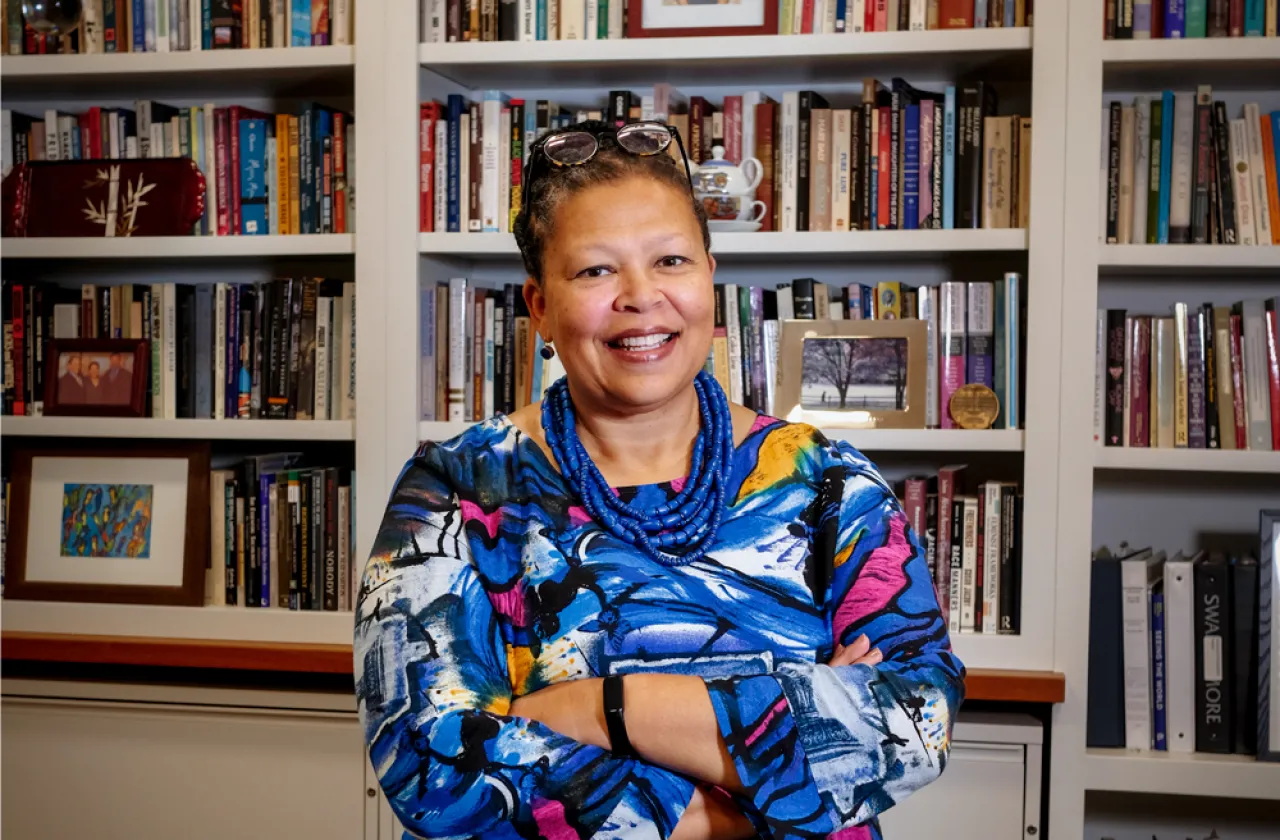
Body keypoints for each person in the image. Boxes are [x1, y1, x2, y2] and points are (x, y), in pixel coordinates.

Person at [354, 119, 965, 840]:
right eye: (595, 270)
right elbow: (431, 765)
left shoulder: (824, 479)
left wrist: (607, 708)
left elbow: (917, 718)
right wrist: (764, 774)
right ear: (540, 306)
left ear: (710, 275)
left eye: (671, 260)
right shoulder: (456, 489)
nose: (640, 296)